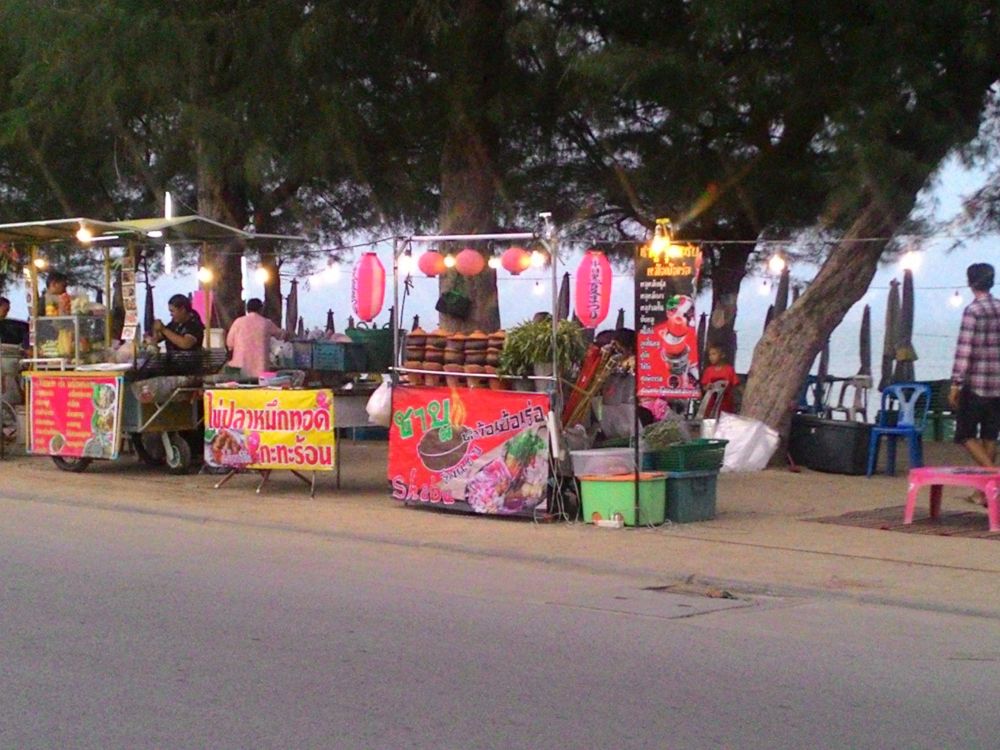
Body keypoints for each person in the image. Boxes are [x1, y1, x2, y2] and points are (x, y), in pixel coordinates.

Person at [948, 262, 1000, 504]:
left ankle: (994, 477)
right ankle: (983, 493)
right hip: (998, 384)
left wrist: (955, 384)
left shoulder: (973, 311)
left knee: (965, 435)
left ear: (970, 282)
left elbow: (964, 350)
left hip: (976, 384)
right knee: (990, 436)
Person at [226, 298, 285, 379]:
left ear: (247, 309)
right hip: (261, 371)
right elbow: (281, 335)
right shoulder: (266, 323)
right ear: (261, 309)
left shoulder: (238, 322)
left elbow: (229, 343)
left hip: (240, 370)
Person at [701, 344, 741, 415]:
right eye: (709, 355)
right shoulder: (708, 371)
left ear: (722, 355)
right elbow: (704, 387)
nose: (711, 357)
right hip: (711, 405)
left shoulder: (729, 370)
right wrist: (707, 387)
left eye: (714, 354)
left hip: (726, 405)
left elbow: (736, 386)